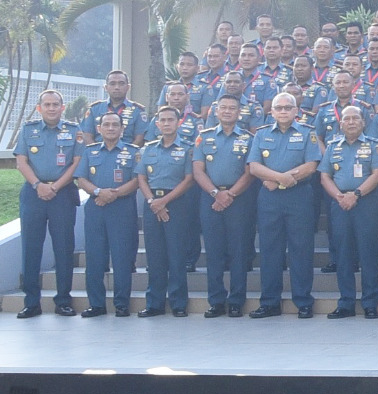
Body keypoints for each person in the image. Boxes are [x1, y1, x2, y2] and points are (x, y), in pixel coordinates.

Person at [248, 93, 323, 318]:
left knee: (301, 249)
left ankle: (303, 302)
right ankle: (270, 302)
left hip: (299, 196)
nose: (283, 111)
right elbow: (254, 166)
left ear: (295, 111)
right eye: (278, 108)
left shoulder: (307, 133)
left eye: (287, 108)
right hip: (270, 198)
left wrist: (280, 179)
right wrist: (280, 178)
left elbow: (311, 165)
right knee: (270, 250)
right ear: (271, 112)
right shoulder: (261, 134)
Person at [14, 90, 82, 318]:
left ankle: (63, 300)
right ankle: (31, 302)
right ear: (39, 108)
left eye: (56, 105)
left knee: (64, 248)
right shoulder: (28, 130)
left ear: (63, 108)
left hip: (62, 195)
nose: (52, 108)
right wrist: (38, 185)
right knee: (31, 248)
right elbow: (21, 162)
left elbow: (77, 163)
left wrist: (54, 187)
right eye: (47, 105)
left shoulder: (74, 131)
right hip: (33, 194)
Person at [319, 105, 378, 319]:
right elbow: (325, 176)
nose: (351, 122)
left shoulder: (374, 145)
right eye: (347, 119)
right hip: (340, 204)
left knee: (368, 253)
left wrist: (356, 195)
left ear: (363, 122)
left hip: (366, 203)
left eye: (355, 118)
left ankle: (370, 303)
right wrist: (339, 196)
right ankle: (346, 303)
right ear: (340, 124)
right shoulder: (332, 147)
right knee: (343, 254)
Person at [192, 94, 256, 318]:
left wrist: (230, 194)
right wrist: (216, 194)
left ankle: (237, 300)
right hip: (210, 199)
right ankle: (216, 301)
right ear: (216, 111)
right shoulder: (204, 137)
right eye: (223, 108)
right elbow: (198, 170)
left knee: (239, 251)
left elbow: (250, 171)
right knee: (214, 252)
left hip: (239, 199)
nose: (227, 111)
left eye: (232, 108)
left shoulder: (248, 139)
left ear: (239, 113)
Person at [74, 113, 140, 317]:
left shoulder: (133, 152)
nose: (111, 128)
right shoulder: (90, 151)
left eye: (115, 125)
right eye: (107, 124)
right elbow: (81, 179)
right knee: (94, 258)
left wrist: (113, 194)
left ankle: (121, 304)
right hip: (96, 208)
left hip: (122, 209)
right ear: (99, 129)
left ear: (122, 129)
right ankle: (96, 304)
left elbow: (137, 180)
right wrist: (98, 192)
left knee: (122, 257)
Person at [137, 106, 198, 317]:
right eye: (162, 120)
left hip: (176, 203)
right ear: (157, 124)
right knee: (155, 256)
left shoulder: (188, 149)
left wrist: (164, 201)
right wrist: (153, 201)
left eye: (170, 120)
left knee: (177, 255)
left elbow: (189, 179)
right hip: (152, 204)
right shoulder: (148, 149)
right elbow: (141, 178)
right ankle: (154, 303)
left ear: (178, 122)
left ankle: (178, 303)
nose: (166, 123)